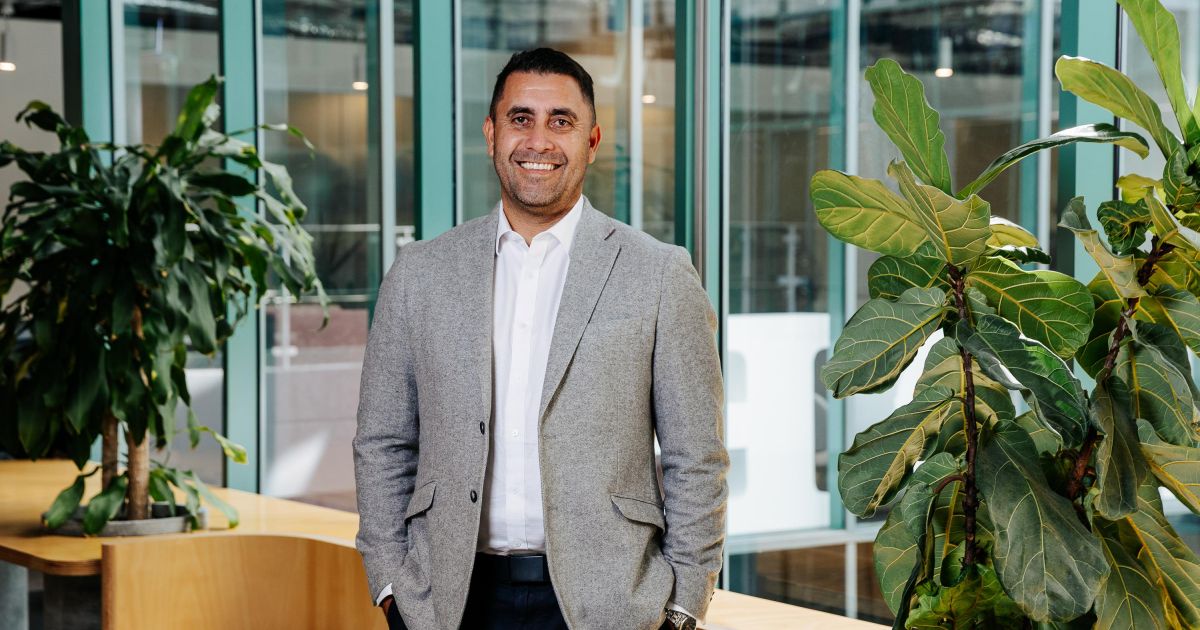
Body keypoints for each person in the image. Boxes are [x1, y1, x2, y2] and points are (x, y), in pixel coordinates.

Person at [353, 47, 728, 630]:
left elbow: (696, 456)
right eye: (521, 119)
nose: (539, 141)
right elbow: (383, 441)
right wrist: (390, 583)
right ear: (491, 133)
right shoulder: (419, 274)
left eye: (561, 121)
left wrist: (682, 608)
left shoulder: (659, 274)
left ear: (591, 142)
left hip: (612, 604)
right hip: (447, 603)